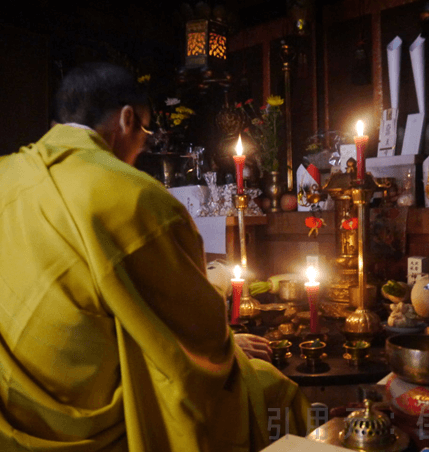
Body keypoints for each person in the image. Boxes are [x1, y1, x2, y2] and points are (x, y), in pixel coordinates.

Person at [0, 62, 310, 451]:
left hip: (12, 412)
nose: (141, 148)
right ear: (127, 119)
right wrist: (230, 347)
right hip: (95, 410)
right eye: (146, 134)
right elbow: (197, 337)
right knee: (276, 388)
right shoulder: (136, 197)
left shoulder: (8, 174)